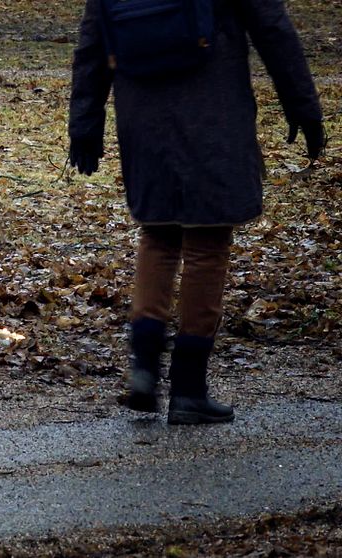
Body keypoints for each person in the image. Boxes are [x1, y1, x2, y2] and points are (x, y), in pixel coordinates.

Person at [68, 0, 325, 424]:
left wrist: (84, 124)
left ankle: (144, 369)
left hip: (142, 112)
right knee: (208, 241)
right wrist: (303, 106)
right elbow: (273, 29)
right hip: (214, 109)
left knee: (158, 233)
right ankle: (189, 388)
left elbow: (92, 43)